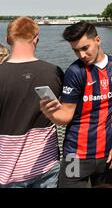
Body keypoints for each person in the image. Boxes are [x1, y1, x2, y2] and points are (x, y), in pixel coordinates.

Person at [40, 21, 112, 188]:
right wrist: (50, 112)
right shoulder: (74, 72)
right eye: (76, 50)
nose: (81, 55)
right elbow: (66, 116)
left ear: (97, 40)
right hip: (75, 156)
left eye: (85, 48)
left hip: (108, 154)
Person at [0, 17, 63, 188]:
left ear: (8, 40)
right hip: (46, 166)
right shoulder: (54, 72)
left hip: (6, 171)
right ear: (36, 38)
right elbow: (64, 113)